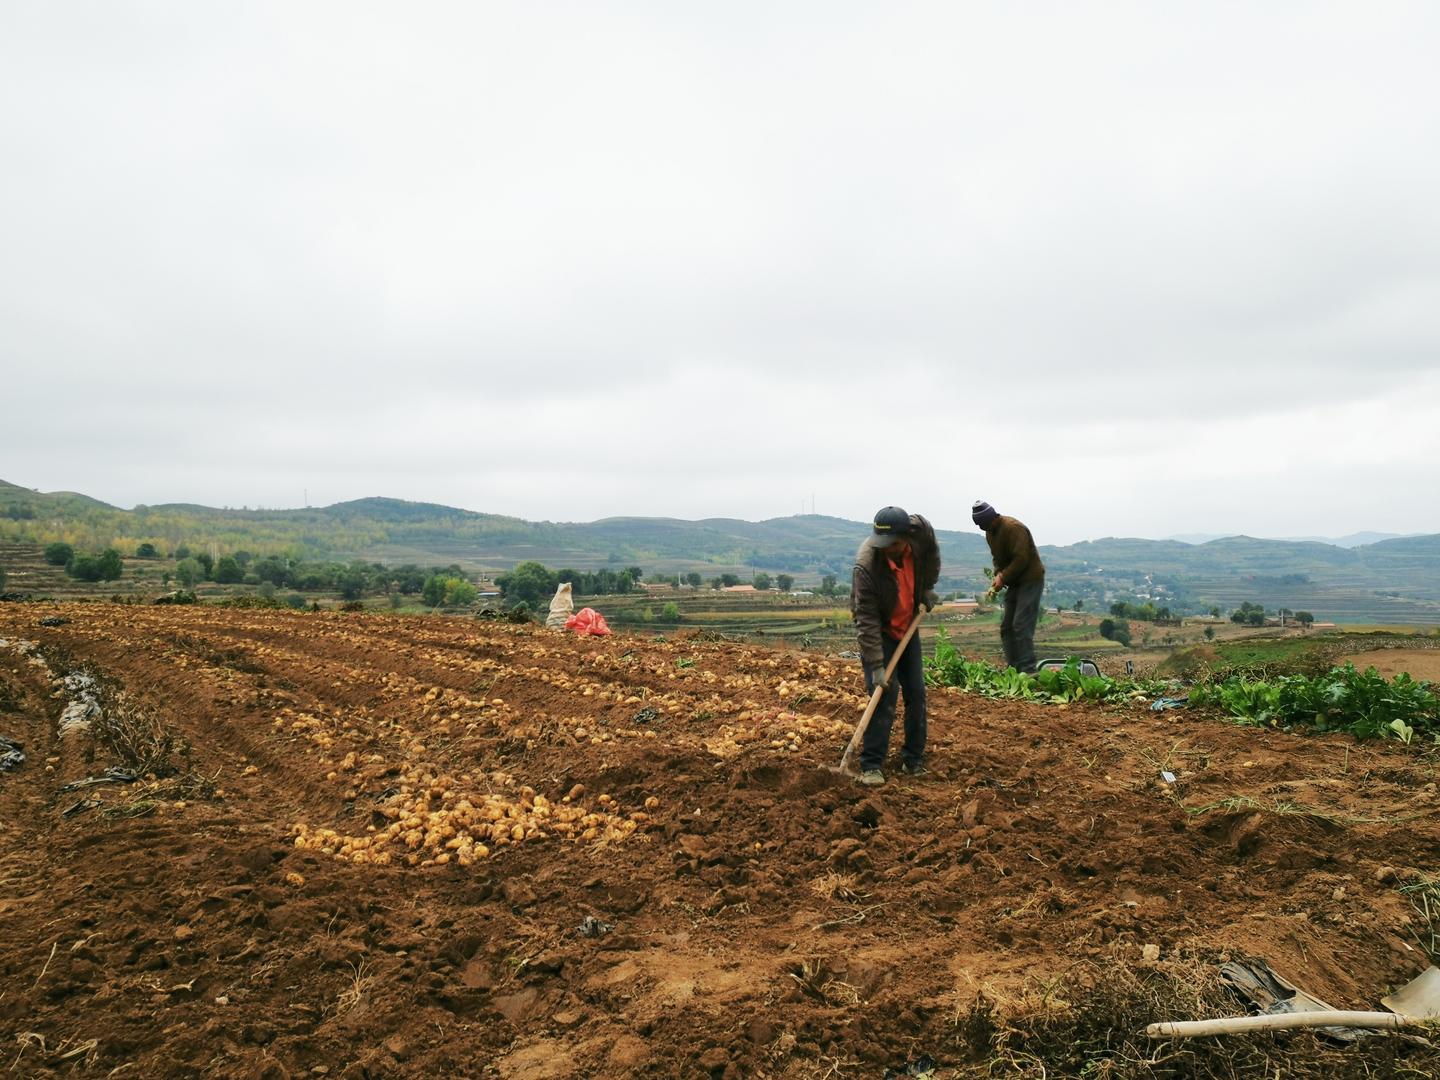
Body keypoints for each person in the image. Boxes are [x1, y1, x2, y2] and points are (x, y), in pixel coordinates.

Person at [849, 506, 940, 786]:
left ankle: (913, 760)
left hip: (908, 625)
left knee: (916, 693)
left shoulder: (921, 534)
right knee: (883, 696)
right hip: (882, 633)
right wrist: (876, 665)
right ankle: (871, 765)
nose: (887, 549)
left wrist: (926, 587)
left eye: (893, 545)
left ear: (906, 538)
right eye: (883, 544)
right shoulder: (866, 566)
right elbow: (866, 620)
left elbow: (932, 557)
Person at [972, 500, 1045, 673]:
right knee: (1007, 628)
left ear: (992, 518)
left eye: (985, 524)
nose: (984, 528)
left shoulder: (1013, 528)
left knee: (1021, 625)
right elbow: (998, 558)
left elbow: (1021, 559)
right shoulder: (990, 533)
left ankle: (1028, 671)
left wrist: (1003, 577)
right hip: (1014, 582)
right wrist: (998, 574)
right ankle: (1013, 669)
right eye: (981, 526)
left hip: (1030, 579)